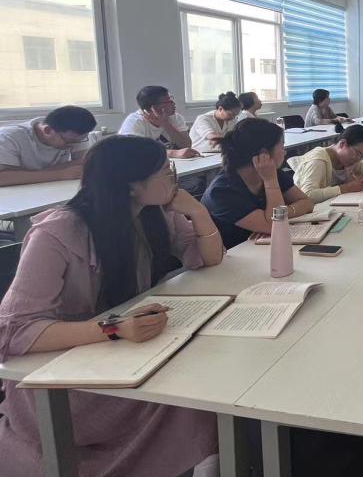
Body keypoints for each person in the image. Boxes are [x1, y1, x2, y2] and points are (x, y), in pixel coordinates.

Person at [0, 135, 224, 476]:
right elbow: (13, 330)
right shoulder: (58, 232)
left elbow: (208, 258)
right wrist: (113, 329)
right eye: (166, 173)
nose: (174, 180)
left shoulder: (154, 214)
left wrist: (198, 212)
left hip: (126, 353)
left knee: (208, 376)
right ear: (131, 185)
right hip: (69, 374)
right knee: (195, 392)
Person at [201, 119, 314, 249]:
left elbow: (306, 202)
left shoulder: (273, 173)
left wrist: (284, 213)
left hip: (261, 248)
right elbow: (274, 225)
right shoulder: (221, 191)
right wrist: (270, 181)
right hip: (234, 255)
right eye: (282, 147)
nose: (285, 152)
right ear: (264, 154)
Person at [0, 105, 96, 186]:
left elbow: (82, 162)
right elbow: (3, 178)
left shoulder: (75, 134)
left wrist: (31, 174)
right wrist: (60, 174)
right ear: (47, 130)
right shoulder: (8, 137)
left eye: (80, 140)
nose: (73, 145)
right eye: (68, 141)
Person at [288, 124, 363, 203]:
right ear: (342, 144)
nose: (358, 159)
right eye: (357, 153)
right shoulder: (318, 161)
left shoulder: (351, 160)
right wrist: (345, 188)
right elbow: (308, 194)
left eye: (362, 156)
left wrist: (360, 178)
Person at [119, 86, 199, 158]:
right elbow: (135, 152)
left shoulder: (175, 118)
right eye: (168, 101)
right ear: (154, 107)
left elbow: (186, 145)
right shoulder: (135, 121)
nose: (173, 103)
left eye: (171, 99)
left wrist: (165, 123)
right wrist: (173, 153)